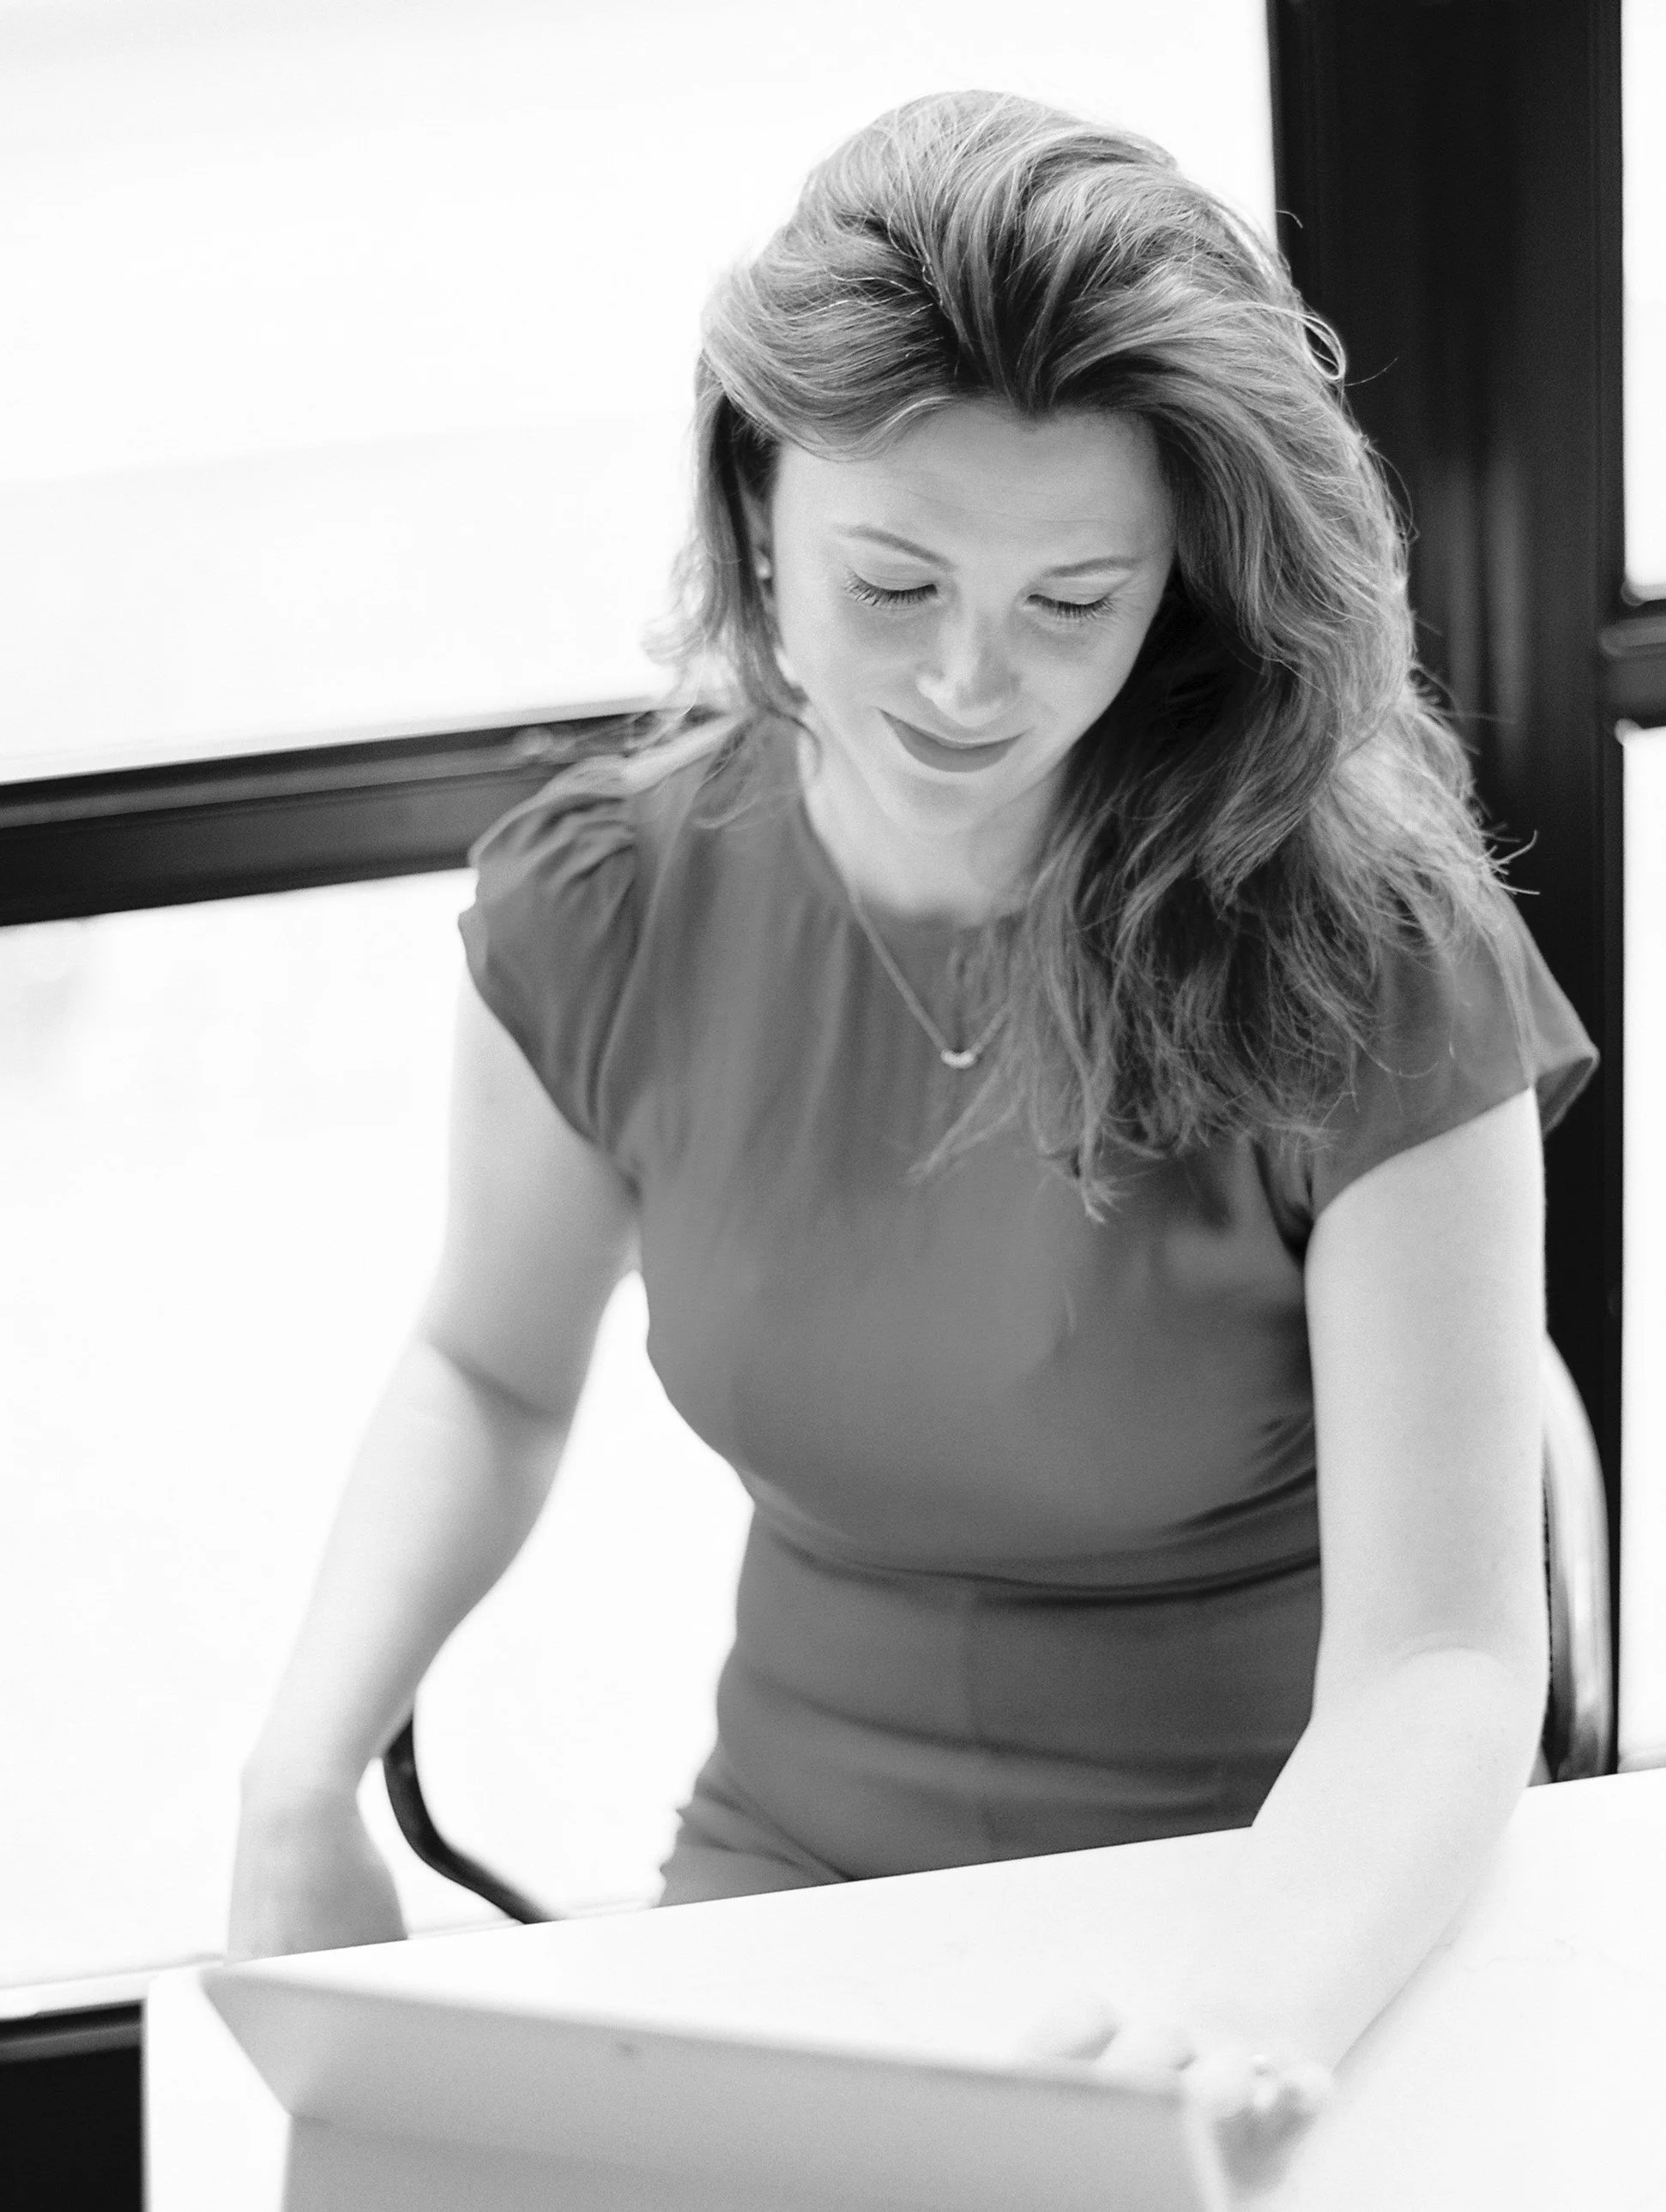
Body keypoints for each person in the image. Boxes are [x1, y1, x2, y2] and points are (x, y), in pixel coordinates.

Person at [227, 89, 1597, 2167]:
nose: (970, 678)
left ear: (1186, 597)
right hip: (800, 1859)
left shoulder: (1362, 950)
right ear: (756, 506)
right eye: (894, 580)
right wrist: (301, 1770)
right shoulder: (608, 901)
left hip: (1283, 1880)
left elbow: (1435, 1658)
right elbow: (484, 1368)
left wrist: (1232, 2025)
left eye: (1074, 601)